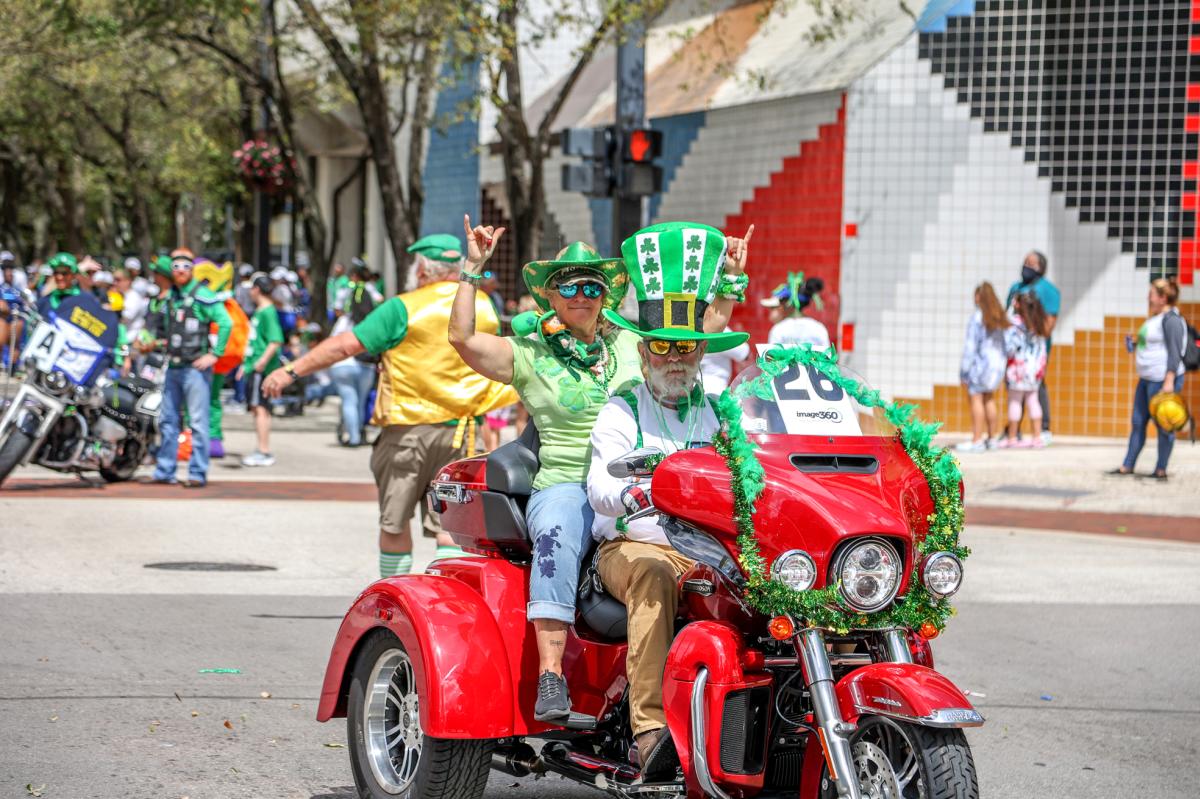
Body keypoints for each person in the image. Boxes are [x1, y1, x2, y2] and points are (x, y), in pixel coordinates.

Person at [451, 215, 748, 726]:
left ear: (606, 294)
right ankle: (551, 674)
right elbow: (462, 339)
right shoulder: (529, 354)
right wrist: (472, 270)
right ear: (550, 295)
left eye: (592, 286)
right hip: (569, 481)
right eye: (569, 287)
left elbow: (697, 335)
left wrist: (731, 277)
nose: (582, 295)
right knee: (558, 529)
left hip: (642, 480)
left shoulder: (630, 344)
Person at [586, 221, 750, 776]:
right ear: (643, 351)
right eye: (662, 346)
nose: (675, 358)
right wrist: (636, 492)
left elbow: (753, 467)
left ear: (701, 351)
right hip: (632, 548)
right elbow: (599, 487)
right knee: (654, 572)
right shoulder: (623, 408)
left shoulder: (719, 411)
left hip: (706, 551)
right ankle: (650, 729)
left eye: (686, 346)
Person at [262, 231, 516, 577]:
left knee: (395, 523)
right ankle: (448, 597)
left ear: (422, 270)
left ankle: (396, 595)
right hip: (466, 433)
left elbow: (345, 346)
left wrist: (291, 371)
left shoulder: (404, 307)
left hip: (408, 433)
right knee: (451, 525)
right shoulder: (483, 305)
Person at [147, 248, 233, 488]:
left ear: (192, 269)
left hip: (195, 369)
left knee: (197, 422)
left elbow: (226, 322)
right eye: (176, 266)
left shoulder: (203, 295)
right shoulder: (170, 297)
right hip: (173, 367)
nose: (180, 270)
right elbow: (166, 330)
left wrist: (214, 355)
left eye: (185, 265)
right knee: (168, 421)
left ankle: (197, 472)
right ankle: (165, 470)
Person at [1110, 278, 1188, 479]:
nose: (1148, 298)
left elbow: (1175, 351)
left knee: (1164, 424)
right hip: (1146, 379)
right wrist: (1136, 344)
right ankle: (1127, 465)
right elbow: (1154, 345)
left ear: (1163, 298)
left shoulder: (1172, 319)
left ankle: (1161, 469)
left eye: (1151, 294)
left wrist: (1169, 380)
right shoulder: (1156, 318)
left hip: (1162, 380)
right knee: (1138, 422)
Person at [1006, 250, 1061, 443]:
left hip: (1034, 352)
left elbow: (1048, 326)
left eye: (1031, 264)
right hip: (1015, 352)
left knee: (1036, 389)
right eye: (1025, 263)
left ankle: (1042, 429)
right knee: (1014, 391)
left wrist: (1028, 327)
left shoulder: (1049, 290)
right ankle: (1013, 431)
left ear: (1041, 268)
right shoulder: (1016, 288)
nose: (1026, 267)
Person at [328, 260, 381, 447]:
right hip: (365, 364)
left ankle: (353, 437)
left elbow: (332, 344)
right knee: (360, 401)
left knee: (349, 401)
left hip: (343, 365)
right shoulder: (371, 293)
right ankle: (359, 432)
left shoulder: (344, 318)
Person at [956, 282, 1008, 452]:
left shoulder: (977, 318)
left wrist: (964, 371)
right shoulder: (999, 317)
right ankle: (992, 439)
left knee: (976, 399)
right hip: (996, 367)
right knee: (989, 399)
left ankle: (977, 440)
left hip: (981, 366)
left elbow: (970, 347)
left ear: (979, 297)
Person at [240, 274, 284, 467]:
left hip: (261, 369)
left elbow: (275, 340)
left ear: (257, 289)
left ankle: (263, 451)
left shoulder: (268, 312)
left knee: (260, 408)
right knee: (257, 408)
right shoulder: (261, 311)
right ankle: (262, 449)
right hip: (254, 366)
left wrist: (262, 361)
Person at [998, 292, 1049, 449]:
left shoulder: (1014, 324)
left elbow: (1009, 348)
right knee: (1033, 401)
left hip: (1017, 370)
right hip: (1034, 370)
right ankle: (1037, 437)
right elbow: (1042, 349)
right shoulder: (1038, 323)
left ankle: (1012, 437)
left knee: (1015, 402)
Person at [760, 272, 829, 349]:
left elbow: (772, 355)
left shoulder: (778, 330)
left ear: (787, 303)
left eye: (774, 307)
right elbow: (827, 355)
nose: (779, 307)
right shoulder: (819, 329)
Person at [699, 329, 750, 394]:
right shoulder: (720, 328)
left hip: (696, 384)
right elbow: (743, 352)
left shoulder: (694, 328)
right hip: (716, 386)